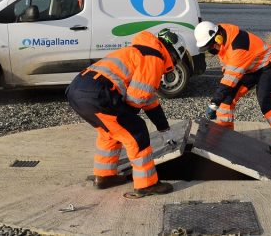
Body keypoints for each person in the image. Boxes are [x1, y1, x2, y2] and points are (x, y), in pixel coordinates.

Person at [65, 28, 187, 199]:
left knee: (110, 133)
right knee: (136, 132)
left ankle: (104, 177)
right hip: (98, 94)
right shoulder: (155, 58)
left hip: (78, 90)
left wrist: (164, 129)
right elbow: (138, 98)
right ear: (173, 53)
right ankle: (147, 184)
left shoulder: (140, 51)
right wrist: (131, 119)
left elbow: (149, 100)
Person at [194, 21, 271, 154]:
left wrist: (214, 103)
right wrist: (220, 98)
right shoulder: (223, 36)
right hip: (250, 67)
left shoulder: (238, 47)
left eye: (210, 47)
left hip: (269, 64)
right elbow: (228, 69)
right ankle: (225, 135)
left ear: (217, 38)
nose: (210, 50)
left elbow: (229, 80)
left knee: (265, 101)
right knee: (227, 98)